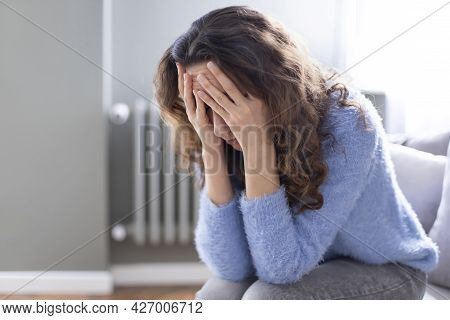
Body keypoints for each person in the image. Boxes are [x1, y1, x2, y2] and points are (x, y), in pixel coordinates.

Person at [153, 5, 438, 299]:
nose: (217, 122)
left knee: (265, 298)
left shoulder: (349, 124)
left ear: (270, 84)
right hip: (305, 262)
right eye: (204, 105)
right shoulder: (210, 129)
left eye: (227, 100)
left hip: (388, 269)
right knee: (216, 295)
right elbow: (230, 268)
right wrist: (210, 148)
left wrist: (256, 144)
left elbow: (280, 270)